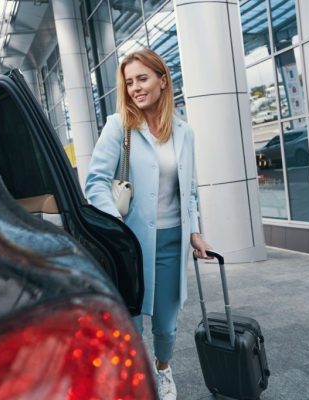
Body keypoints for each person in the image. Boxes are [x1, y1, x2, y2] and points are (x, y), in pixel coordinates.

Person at [85, 48, 212, 400]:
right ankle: (136, 375)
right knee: (132, 319)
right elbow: (96, 182)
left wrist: (196, 232)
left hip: (173, 240)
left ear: (162, 79)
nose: (136, 88)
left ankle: (163, 370)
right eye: (129, 83)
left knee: (166, 322)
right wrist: (115, 226)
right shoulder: (119, 127)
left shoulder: (184, 132)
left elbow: (188, 190)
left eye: (142, 79)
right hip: (131, 243)